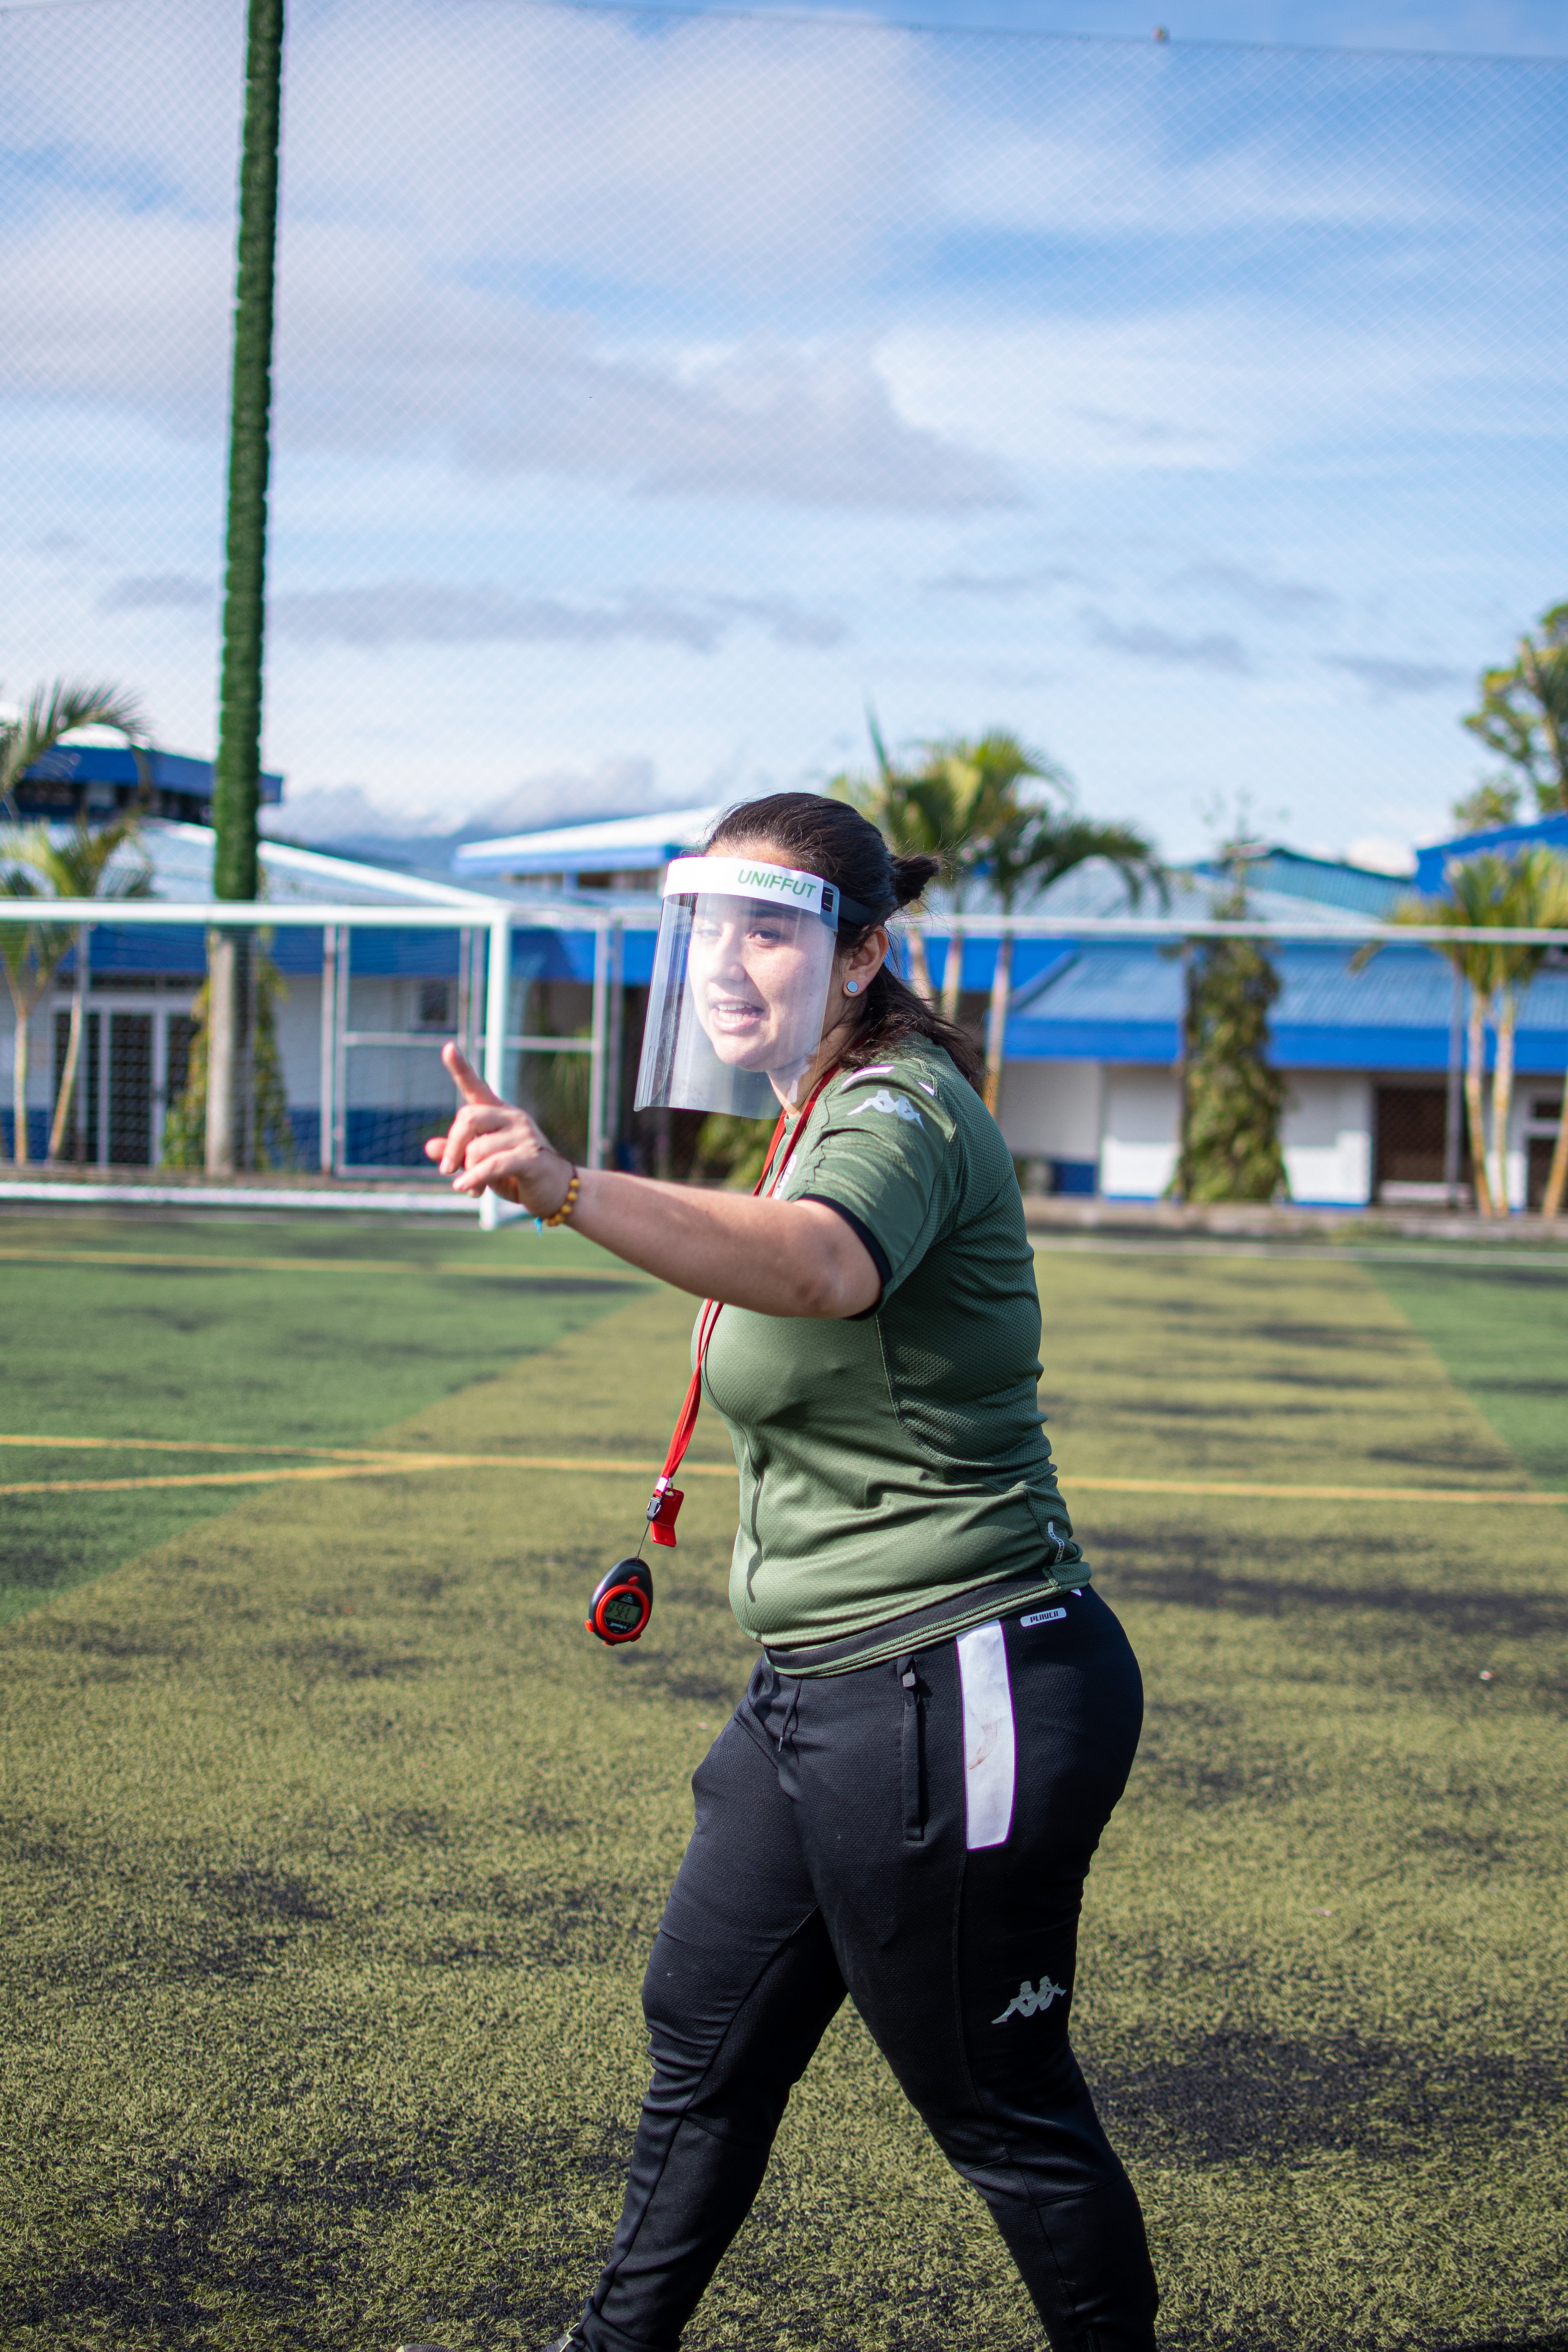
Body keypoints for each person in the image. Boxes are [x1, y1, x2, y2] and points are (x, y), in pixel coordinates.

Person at [415, 793, 1157, 2352]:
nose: (734, 964)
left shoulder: (898, 1107)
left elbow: (821, 1265)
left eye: (778, 929)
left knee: (998, 2106)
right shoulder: (805, 1106)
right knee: (706, 2040)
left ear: (866, 953)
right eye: (712, 929)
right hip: (817, 1688)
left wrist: (563, 1187)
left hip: (963, 1673)